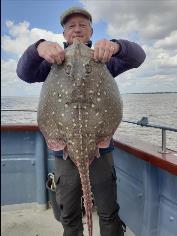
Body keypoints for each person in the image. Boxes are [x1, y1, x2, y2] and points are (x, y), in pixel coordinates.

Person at [16, 7, 146, 236]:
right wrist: (38, 48)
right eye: (70, 26)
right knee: (69, 212)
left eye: (82, 25)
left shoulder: (103, 60)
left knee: (107, 210)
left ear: (91, 31)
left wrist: (117, 46)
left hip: (100, 149)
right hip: (64, 151)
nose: (77, 29)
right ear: (64, 33)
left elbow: (138, 57)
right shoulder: (50, 62)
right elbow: (24, 72)